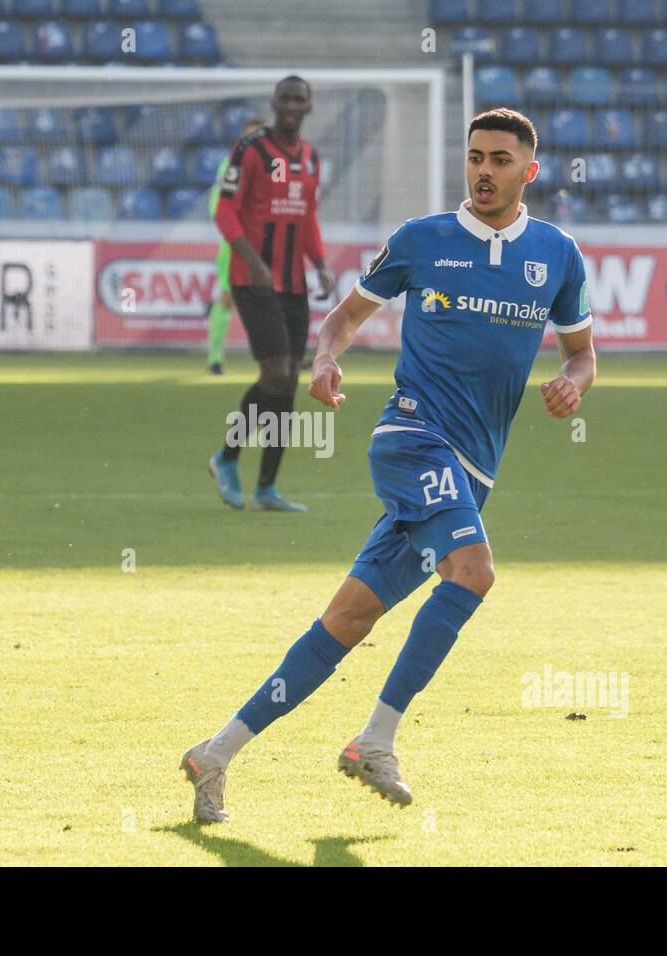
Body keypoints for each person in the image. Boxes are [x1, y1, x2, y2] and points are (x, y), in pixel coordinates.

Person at [180, 108, 597, 823]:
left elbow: (582, 351)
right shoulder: (423, 240)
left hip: (474, 469)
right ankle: (376, 741)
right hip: (411, 438)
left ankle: (214, 753)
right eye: (474, 157)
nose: (484, 171)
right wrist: (327, 361)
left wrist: (573, 383)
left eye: (500, 160)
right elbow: (343, 317)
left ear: (529, 171)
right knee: (474, 571)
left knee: (349, 618)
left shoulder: (557, 255)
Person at [207, 75, 335, 513]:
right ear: (275, 102)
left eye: (300, 99)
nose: (292, 105)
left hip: (293, 283)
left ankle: (266, 488)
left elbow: (307, 219)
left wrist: (319, 264)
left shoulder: (312, 159)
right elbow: (225, 211)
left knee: (290, 383)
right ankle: (225, 457)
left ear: (309, 106)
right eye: (285, 98)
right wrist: (252, 260)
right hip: (253, 278)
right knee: (276, 373)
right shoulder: (251, 149)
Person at [205, 115, 266, 375]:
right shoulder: (230, 166)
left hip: (266, 245)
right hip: (236, 245)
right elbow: (217, 206)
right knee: (228, 299)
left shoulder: (275, 168)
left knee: (276, 300)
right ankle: (215, 358)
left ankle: (281, 358)